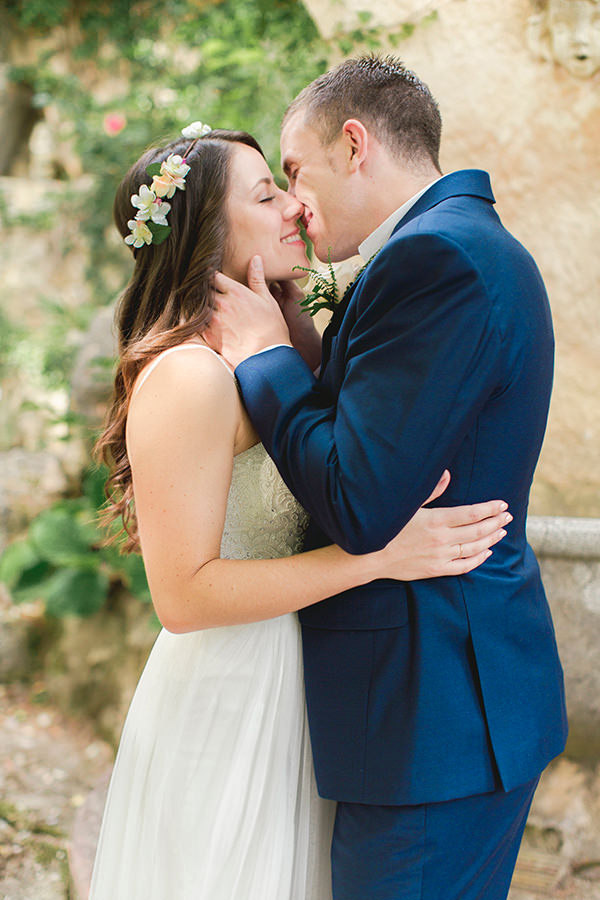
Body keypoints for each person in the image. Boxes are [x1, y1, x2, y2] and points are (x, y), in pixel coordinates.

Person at [88, 126, 510, 900]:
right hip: (228, 692)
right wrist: (376, 556)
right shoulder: (188, 376)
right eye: (265, 193)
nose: (294, 206)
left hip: (309, 687)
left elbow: (331, 470)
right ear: (206, 232)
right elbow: (182, 598)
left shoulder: (290, 344)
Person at [204, 57, 569, 900]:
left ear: (355, 143)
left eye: (295, 170)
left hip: (432, 712)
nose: (293, 202)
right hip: (442, 703)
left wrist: (265, 359)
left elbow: (361, 501)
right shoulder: (459, 243)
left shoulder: (432, 260)